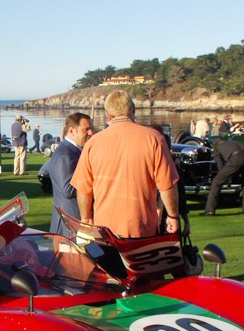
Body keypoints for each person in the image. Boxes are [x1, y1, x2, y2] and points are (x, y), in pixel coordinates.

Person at [71, 90, 179, 238]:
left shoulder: (93, 143)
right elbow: (167, 185)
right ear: (132, 111)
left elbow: (83, 188)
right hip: (142, 228)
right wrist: (173, 215)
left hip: (105, 230)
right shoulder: (154, 138)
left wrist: (86, 217)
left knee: (107, 261)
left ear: (109, 115)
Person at [41, 112, 94, 235]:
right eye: (86, 129)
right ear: (71, 130)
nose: (90, 133)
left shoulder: (73, 152)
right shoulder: (65, 155)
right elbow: (68, 190)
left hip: (72, 223)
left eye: (91, 129)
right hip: (69, 225)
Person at [204, 139, 244, 215]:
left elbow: (220, 165)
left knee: (216, 182)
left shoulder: (217, 149)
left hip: (237, 157)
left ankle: (210, 210)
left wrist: (225, 178)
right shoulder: (233, 142)